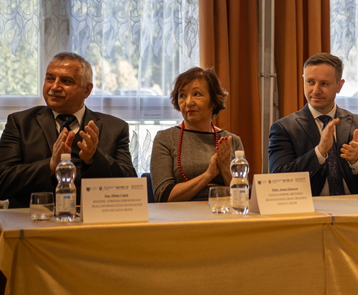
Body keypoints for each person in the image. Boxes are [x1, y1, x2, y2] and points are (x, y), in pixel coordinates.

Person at [0, 52, 137, 208]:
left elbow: (130, 186)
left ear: (87, 90)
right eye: (50, 78)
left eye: (66, 81)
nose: (54, 87)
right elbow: (2, 182)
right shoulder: (20, 123)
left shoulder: (115, 128)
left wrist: (94, 158)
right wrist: (50, 165)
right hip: (33, 218)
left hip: (91, 219)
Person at [268, 53, 358, 196]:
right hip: (310, 206)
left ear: (339, 86)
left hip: (355, 205)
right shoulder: (284, 128)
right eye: (310, 82)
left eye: (324, 84)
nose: (316, 90)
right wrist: (319, 152)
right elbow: (278, 179)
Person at [150, 67, 244, 202]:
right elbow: (163, 196)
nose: (188, 102)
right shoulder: (165, 139)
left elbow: (242, 196)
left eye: (197, 94)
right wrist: (208, 174)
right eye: (182, 96)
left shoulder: (232, 140)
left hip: (222, 211)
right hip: (180, 214)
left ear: (213, 100)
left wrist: (225, 168)